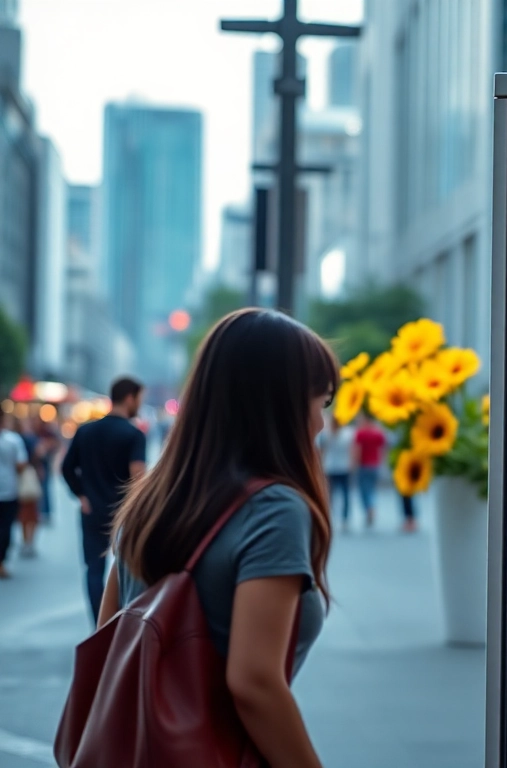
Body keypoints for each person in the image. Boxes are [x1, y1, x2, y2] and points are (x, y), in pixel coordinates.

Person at [100, 308, 335, 767]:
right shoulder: (273, 509)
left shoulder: (150, 500)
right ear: (282, 404)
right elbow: (254, 684)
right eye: (319, 403)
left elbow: (108, 641)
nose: (321, 423)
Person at [61, 377, 147, 620]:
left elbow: (67, 468)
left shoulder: (85, 431)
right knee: (127, 570)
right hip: (124, 513)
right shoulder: (133, 434)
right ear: (129, 398)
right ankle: (118, 623)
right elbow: (138, 477)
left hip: (92, 512)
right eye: (139, 399)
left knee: (94, 570)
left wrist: (82, 495)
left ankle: (98, 625)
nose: (139, 404)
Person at [0, 414, 28, 578]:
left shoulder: (13, 439)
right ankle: (2, 561)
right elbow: (21, 464)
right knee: (5, 527)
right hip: (9, 489)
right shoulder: (13, 440)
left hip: (9, 490)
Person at [317, 416, 355, 532]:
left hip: (338, 467)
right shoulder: (329, 435)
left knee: (340, 494)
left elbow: (322, 451)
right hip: (335, 467)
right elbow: (322, 451)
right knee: (335, 494)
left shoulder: (344, 434)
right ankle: (336, 516)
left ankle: (341, 517)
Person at [354, 414, 386, 529]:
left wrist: (355, 464)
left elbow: (357, 450)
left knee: (364, 490)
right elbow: (382, 449)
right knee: (372, 489)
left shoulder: (360, 433)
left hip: (363, 465)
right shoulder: (378, 433)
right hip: (375, 465)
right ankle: (371, 507)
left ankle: (369, 508)